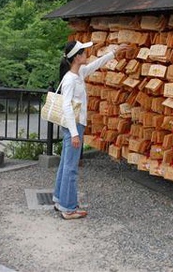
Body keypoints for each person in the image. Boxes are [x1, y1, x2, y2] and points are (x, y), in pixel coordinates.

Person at [52, 39, 128, 220]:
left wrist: (114, 53)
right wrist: (75, 133)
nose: (87, 55)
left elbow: (96, 64)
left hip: (73, 125)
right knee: (71, 167)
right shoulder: (70, 79)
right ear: (77, 58)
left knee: (65, 163)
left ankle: (59, 198)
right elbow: (67, 107)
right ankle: (68, 208)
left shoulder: (78, 73)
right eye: (83, 52)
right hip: (74, 125)